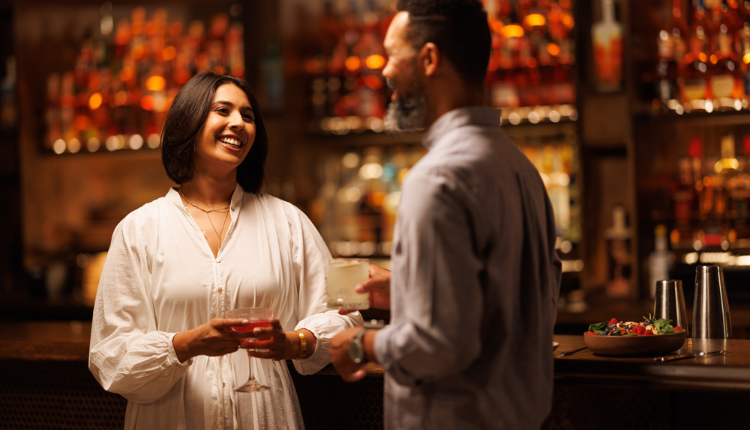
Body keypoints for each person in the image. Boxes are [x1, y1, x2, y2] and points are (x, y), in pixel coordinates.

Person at [329, 1, 562, 429]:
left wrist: (362, 344)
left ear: (429, 59)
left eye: (391, 55)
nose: (383, 72)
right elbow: (517, 304)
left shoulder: (437, 179)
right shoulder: (519, 168)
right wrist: (410, 289)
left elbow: (439, 345)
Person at [89, 71, 363, 430]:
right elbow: (109, 357)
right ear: (189, 121)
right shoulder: (138, 228)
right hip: (172, 419)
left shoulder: (289, 220)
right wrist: (183, 345)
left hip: (263, 416)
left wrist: (295, 343)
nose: (238, 123)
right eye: (223, 110)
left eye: (247, 116)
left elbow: (349, 315)